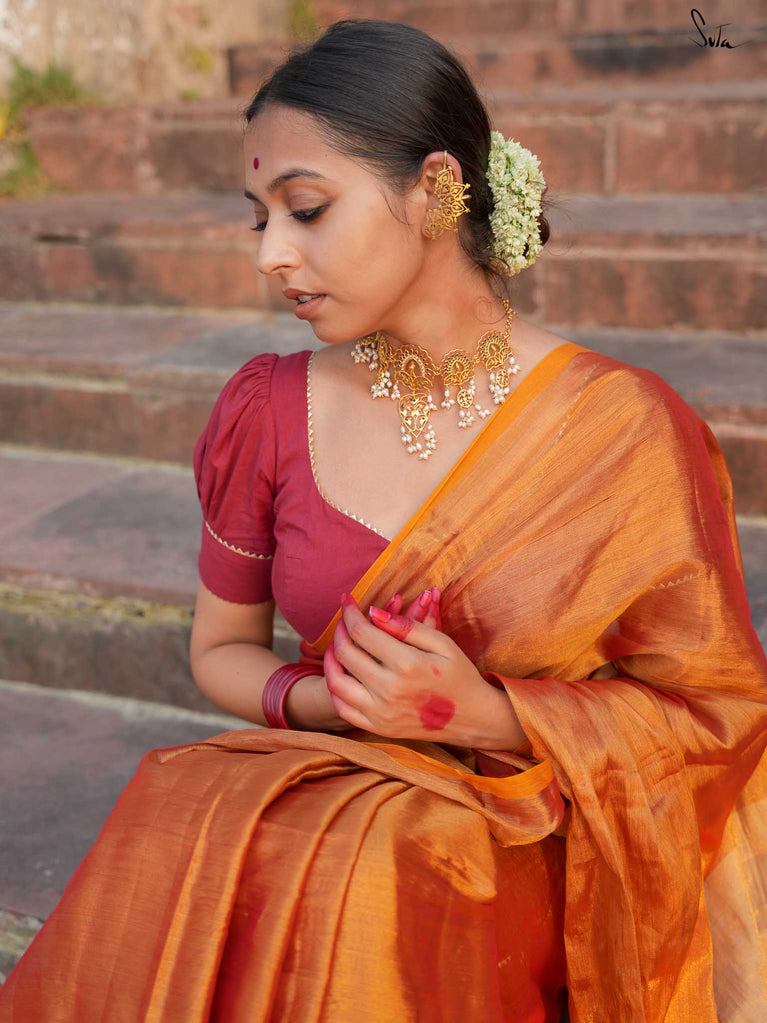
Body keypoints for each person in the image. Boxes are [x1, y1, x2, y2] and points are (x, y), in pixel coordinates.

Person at [1, 18, 765, 1023]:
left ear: (436, 191)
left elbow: (715, 715)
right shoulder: (268, 410)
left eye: (307, 210)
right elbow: (221, 649)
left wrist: (480, 715)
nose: (271, 255)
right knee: (172, 823)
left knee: (385, 868)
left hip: (542, 826)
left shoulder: (623, 430)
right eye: (258, 220)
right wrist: (337, 703)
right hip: (337, 773)